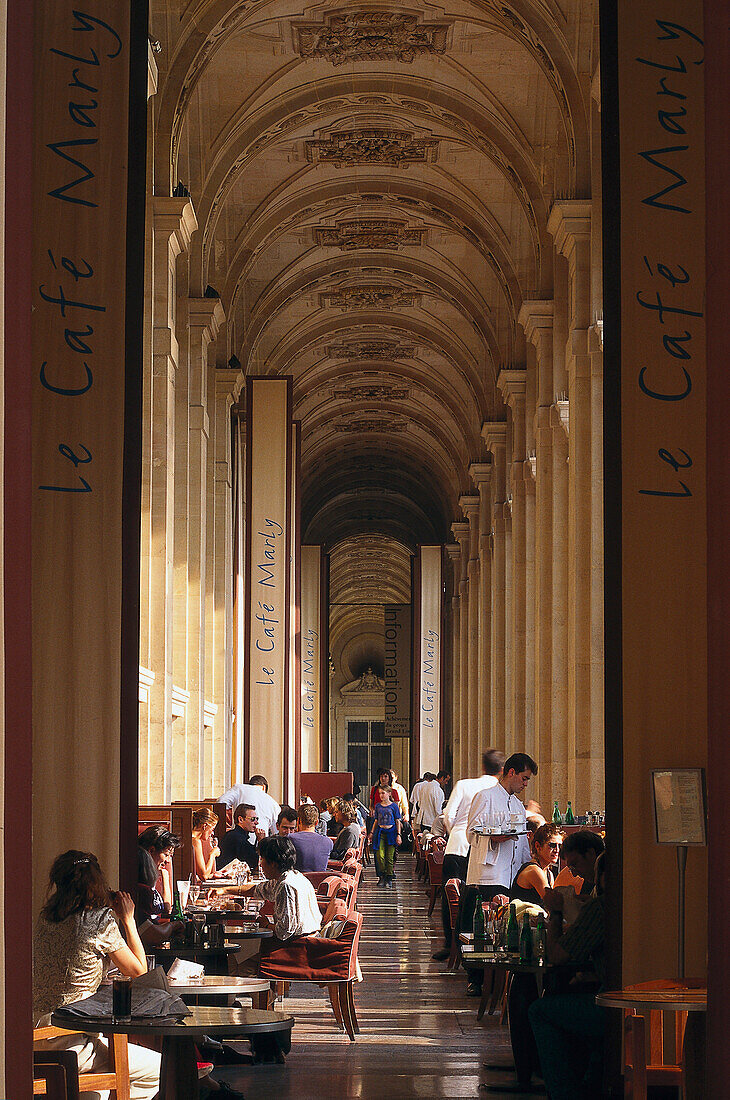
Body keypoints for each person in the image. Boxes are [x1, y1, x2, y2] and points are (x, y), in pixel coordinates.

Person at [33, 850, 160, 1100]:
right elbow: (139, 972)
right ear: (96, 883)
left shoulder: (45, 918)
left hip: (36, 1038)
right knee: (159, 1069)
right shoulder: (99, 920)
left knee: (96, 1092)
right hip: (72, 1041)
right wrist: (128, 920)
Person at [528, 853, 608, 1099]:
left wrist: (556, 913)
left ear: (603, 876)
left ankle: (563, 1091)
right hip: (626, 1003)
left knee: (540, 1010)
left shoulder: (602, 906)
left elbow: (557, 956)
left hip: (611, 1009)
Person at [462, 752, 537, 995]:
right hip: (487, 872)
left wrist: (528, 864)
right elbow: (471, 833)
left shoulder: (516, 804)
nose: (525, 784)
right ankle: (476, 979)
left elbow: (522, 840)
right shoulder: (485, 796)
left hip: (509, 873)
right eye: (524, 779)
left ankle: (498, 977)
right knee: (482, 928)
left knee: (502, 929)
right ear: (511, 772)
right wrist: (494, 837)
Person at [432, 749, 504, 962]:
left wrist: (457, 832)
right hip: (484, 851)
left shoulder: (464, 784)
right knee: (476, 900)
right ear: (502, 770)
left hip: (457, 846)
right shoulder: (498, 789)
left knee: (451, 898)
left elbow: (448, 814)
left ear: (482, 767)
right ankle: (477, 951)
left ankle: (450, 944)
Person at [239, 836, 322, 941]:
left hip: (298, 945)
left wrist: (266, 925)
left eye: (262, 859)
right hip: (307, 939)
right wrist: (224, 890)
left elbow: (284, 931)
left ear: (273, 863)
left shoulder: (286, 885)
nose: (260, 864)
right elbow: (258, 890)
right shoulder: (295, 876)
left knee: (241, 945)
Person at [135, 847, 184, 946]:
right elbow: (152, 935)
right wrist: (173, 926)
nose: (167, 861)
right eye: (166, 855)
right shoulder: (143, 891)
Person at [510, 822, 563, 904]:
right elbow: (552, 903)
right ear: (538, 846)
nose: (557, 850)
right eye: (552, 845)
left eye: (560, 846)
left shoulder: (549, 874)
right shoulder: (534, 870)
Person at [136, 824, 181, 912]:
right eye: (166, 855)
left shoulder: (153, 875)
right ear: (151, 850)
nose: (168, 861)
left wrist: (165, 879)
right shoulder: (142, 882)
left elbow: (167, 909)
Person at [368, 786, 402, 888]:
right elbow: (376, 820)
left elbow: (397, 821)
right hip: (380, 832)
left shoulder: (394, 806)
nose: (381, 795)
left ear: (389, 794)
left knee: (390, 856)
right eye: (380, 793)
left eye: (383, 793)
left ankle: (389, 877)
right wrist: (372, 832)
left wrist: (398, 835)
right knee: (380, 855)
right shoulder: (378, 806)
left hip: (391, 832)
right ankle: (381, 876)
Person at [218, 803, 263, 872]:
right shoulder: (237, 838)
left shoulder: (235, 835)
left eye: (257, 819)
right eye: (253, 819)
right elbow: (255, 862)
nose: (256, 823)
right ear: (241, 820)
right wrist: (261, 841)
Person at [290, 803, 333, 871]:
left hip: (295, 880)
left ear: (298, 821)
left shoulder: (289, 839)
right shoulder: (328, 842)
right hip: (320, 880)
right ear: (316, 822)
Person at [191, 806, 224, 882]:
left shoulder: (188, 836)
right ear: (205, 826)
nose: (212, 833)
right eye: (212, 829)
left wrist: (212, 875)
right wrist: (212, 855)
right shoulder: (195, 841)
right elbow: (204, 876)